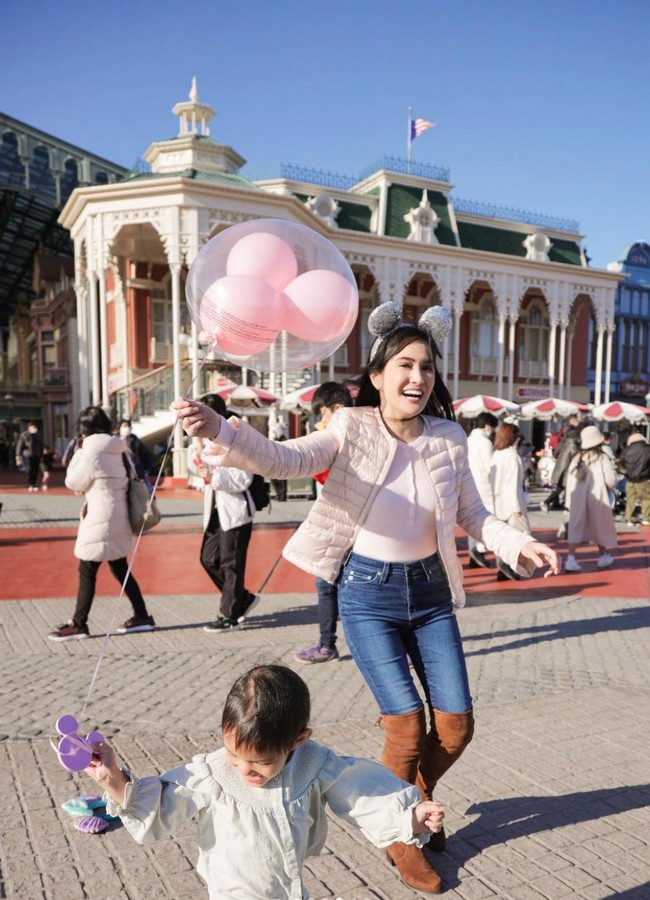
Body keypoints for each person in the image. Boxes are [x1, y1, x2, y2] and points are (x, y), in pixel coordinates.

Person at [172, 301, 560, 894]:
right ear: (377, 375)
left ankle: (411, 797)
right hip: (367, 593)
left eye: (427, 366)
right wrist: (221, 429)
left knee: (455, 726)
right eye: (404, 364)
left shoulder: (449, 437)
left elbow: (474, 514)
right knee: (405, 727)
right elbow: (286, 458)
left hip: (430, 592)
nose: (417, 377)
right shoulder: (350, 427)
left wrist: (517, 544)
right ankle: (401, 836)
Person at [85, 664, 444, 899]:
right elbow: (163, 801)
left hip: (288, 888)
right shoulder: (212, 773)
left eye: (263, 762)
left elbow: (361, 789)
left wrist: (405, 818)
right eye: (234, 754)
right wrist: (113, 780)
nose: (244, 770)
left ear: (298, 740)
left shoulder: (313, 763)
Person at [48, 406, 155, 641]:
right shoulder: (119, 448)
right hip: (119, 515)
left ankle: (79, 623)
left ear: (85, 430)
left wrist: (78, 457)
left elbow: (74, 482)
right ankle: (142, 615)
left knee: (87, 569)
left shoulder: (90, 451)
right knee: (119, 567)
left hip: (99, 517)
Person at [187, 394, 260, 632]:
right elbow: (194, 462)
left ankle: (230, 615)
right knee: (207, 558)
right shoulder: (204, 440)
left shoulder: (237, 437)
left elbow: (242, 478)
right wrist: (199, 465)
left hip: (236, 511)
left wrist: (212, 476)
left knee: (232, 564)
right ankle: (242, 598)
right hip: (216, 511)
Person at [294, 381, 354, 664]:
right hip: (334, 525)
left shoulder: (352, 438)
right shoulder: (331, 437)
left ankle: (395, 646)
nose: (321, 420)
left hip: (352, 528)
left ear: (338, 409)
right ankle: (327, 644)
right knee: (327, 583)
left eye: (323, 413)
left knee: (350, 587)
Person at [563, 425, 618, 572]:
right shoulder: (601, 458)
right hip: (597, 498)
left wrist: (569, 501)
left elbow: (570, 481)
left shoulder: (577, 458)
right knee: (599, 525)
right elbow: (611, 480)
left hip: (578, 498)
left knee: (575, 526)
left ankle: (571, 558)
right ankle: (603, 556)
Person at [490, 422, 531, 581]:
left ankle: (502, 568)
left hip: (498, 503)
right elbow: (513, 483)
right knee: (520, 536)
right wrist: (516, 506)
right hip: (512, 504)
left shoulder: (496, 454)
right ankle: (511, 567)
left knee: (503, 537)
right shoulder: (512, 455)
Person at [465, 412, 498, 568]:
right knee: (486, 517)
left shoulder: (468, 440)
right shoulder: (485, 442)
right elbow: (489, 467)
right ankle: (479, 549)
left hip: (469, 483)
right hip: (484, 486)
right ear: (487, 426)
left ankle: (474, 551)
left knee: (471, 516)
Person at [542, 414, 581, 512]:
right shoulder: (573, 443)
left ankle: (556, 503)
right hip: (566, 467)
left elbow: (557, 451)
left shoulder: (565, 439)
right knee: (564, 486)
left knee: (560, 486)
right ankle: (548, 502)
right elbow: (576, 455)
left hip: (561, 464)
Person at [619, 428, 650, 525]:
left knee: (630, 499)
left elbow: (621, 462)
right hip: (644, 478)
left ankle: (629, 518)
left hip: (630, 479)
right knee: (646, 499)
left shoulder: (626, 450)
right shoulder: (648, 449)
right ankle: (646, 518)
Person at [119, 419, 153, 487]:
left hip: (135, 472)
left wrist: (146, 468)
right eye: (124, 426)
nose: (126, 428)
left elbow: (146, 454)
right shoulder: (115, 440)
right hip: (120, 472)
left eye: (127, 426)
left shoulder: (134, 439)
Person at [15, 420, 43, 491]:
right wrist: (18, 454)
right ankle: (30, 484)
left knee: (35, 470)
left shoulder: (38, 435)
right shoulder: (24, 435)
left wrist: (41, 455)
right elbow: (20, 445)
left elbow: (41, 445)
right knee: (29, 469)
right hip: (28, 455)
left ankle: (33, 484)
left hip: (36, 455)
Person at [269, 419, 288, 501]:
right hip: (276, 463)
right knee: (273, 479)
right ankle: (278, 494)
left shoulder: (283, 440)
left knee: (282, 480)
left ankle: (282, 495)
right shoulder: (276, 439)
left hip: (283, 463)